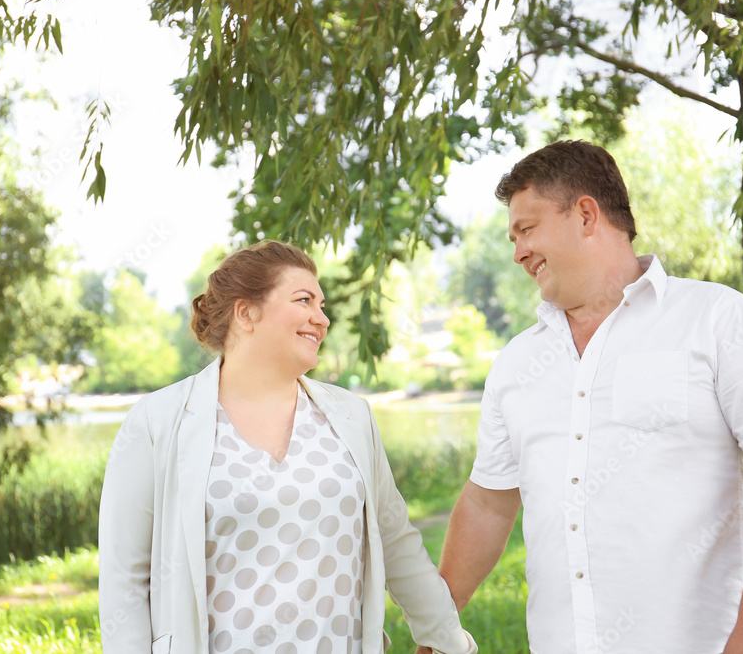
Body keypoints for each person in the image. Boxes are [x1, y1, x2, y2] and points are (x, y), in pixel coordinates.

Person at [428, 140, 743, 654]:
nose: (518, 251)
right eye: (514, 237)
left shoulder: (717, 318)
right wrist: (437, 626)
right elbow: (487, 504)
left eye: (527, 229)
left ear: (586, 215)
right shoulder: (516, 363)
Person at [99, 241, 477, 654]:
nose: (323, 319)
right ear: (246, 313)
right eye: (304, 300)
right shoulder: (156, 421)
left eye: (322, 305)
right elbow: (125, 581)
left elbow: (396, 540)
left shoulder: (352, 416)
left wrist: (448, 641)